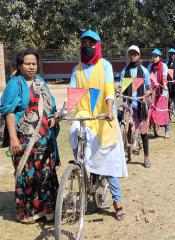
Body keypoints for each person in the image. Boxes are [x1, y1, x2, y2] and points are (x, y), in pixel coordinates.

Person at [69, 30, 128, 220]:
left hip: (103, 118)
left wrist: (110, 110)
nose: (87, 46)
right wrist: (62, 111)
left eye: (91, 43)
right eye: (84, 43)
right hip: (84, 116)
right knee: (73, 132)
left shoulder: (105, 66)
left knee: (108, 163)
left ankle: (117, 203)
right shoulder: (77, 69)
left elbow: (109, 90)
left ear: (98, 45)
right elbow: (72, 93)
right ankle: (79, 169)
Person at [0, 49, 59, 223]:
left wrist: (52, 116)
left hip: (44, 139)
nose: (31, 67)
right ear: (19, 65)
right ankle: (28, 213)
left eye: (34, 63)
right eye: (27, 63)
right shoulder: (15, 84)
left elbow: (51, 104)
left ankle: (47, 210)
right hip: (23, 139)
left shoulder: (40, 82)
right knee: (26, 173)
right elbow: (8, 112)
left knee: (45, 173)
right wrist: (13, 138)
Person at [119, 45, 152, 168]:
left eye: (135, 54)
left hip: (140, 104)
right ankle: (127, 150)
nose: (132, 56)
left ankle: (146, 157)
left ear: (139, 55)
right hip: (128, 105)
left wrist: (145, 96)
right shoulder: (124, 71)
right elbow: (121, 87)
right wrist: (118, 90)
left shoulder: (144, 71)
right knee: (128, 128)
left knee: (143, 132)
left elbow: (149, 89)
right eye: (131, 54)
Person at [147, 48, 170, 138]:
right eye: (153, 56)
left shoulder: (163, 66)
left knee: (164, 112)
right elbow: (147, 75)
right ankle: (155, 131)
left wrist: (164, 85)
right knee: (153, 112)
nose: (154, 58)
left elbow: (164, 77)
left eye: (156, 56)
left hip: (162, 91)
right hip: (153, 91)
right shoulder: (150, 66)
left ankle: (167, 131)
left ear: (160, 57)